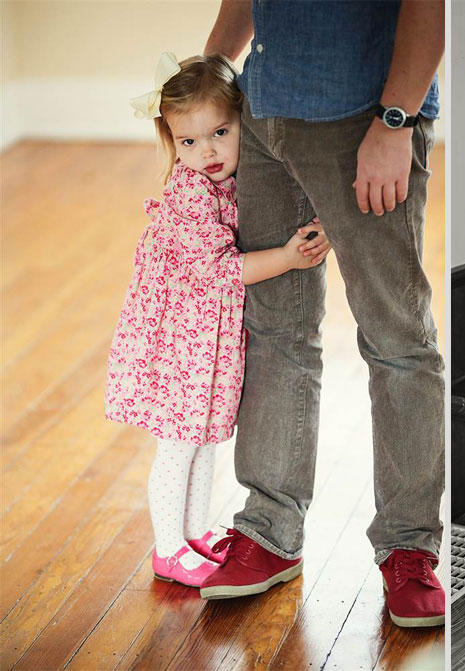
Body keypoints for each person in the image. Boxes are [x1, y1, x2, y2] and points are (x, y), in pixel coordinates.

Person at [199, 1, 446, 628]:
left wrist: (397, 121)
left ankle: (409, 546)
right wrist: (206, 77)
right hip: (260, 113)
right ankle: (269, 527)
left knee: (396, 336)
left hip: (361, 117)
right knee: (275, 327)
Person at [105, 53, 330, 589]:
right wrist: (288, 257)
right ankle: (166, 549)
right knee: (179, 446)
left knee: (205, 440)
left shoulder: (229, 182)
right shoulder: (189, 196)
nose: (205, 152)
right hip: (180, 346)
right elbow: (220, 271)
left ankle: (194, 531)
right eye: (188, 142)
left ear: (242, 125)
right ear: (172, 143)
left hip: (206, 340)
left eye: (219, 133)